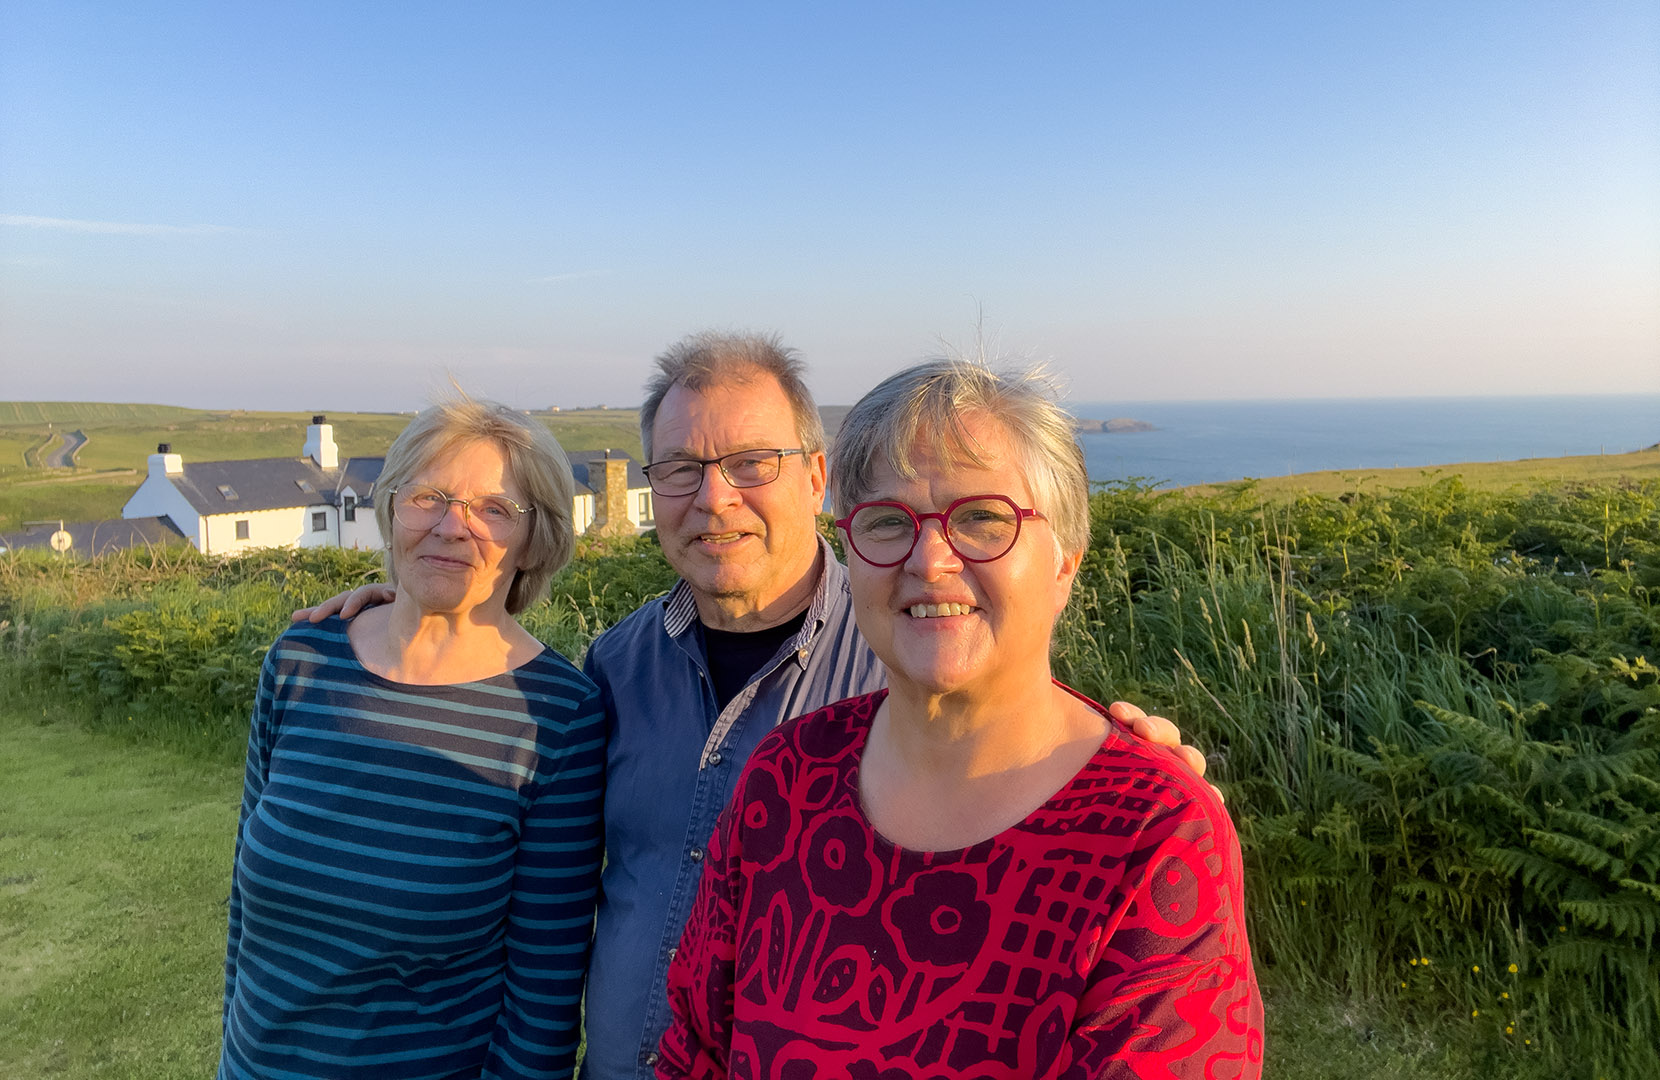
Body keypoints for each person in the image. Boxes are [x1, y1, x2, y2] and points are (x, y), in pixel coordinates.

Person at [298, 332, 1207, 1080]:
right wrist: (399, 609)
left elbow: (1028, 733)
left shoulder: (912, 653)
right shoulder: (616, 666)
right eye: (681, 469)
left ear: (816, 477)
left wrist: (1133, 766)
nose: (713, 498)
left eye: (751, 463)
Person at [657, 359, 1263, 1078]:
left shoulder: (1154, 835)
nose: (931, 560)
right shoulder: (785, 781)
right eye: (889, 522)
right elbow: (694, 1048)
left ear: (1065, 560)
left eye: (981, 518)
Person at [221, 396, 605, 1080]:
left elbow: (542, 1005)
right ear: (393, 508)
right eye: (428, 497)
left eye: (493, 509)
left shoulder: (559, 716)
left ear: (534, 539)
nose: (453, 527)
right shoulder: (302, 659)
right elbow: (246, 917)